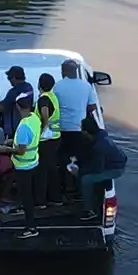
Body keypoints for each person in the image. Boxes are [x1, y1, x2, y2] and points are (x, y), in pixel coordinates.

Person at [0, 92, 44, 237]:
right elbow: (28, 140)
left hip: (23, 166)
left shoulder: (23, 126)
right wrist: (12, 141)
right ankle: (26, 210)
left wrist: (6, 149)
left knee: (26, 196)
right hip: (33, 161)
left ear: (18, 107)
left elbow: (21, 150)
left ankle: (31, 228)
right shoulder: (34, 118)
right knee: (28, 192)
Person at [53, 59, 97, 189]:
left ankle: (64, 184)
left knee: (62, 158)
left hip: (62, 129)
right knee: (79, 158)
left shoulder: (58, 86)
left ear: (64, 71)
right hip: (80, 129)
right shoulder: (86, 86)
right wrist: (81, 109)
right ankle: (78, 186)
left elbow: (53, 105)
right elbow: (93, 106)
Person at [77, 116, 127, 220]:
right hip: (112, 162)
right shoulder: (101, 136)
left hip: (115, 169)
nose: (81, 131)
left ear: (86, 132)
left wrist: (79, 171)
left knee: (86, 180)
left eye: (82, 129)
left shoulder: (99, 146)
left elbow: (97, 169)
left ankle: (90, 211)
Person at [36, 73, 63, 206]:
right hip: (56, 136)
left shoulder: (44, 99)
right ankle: (56, 197)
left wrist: (43, 128)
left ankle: (41, 201)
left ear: (39, 84)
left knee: (42, 170)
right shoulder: (53, 96)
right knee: (52, 168)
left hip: (46, 139)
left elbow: (45, 113)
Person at [1, 65, 33, 137]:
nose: (9, 80)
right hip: (27, 124)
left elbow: (2, 108)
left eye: (9, 78)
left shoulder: (14, 92)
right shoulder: (29, 87)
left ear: (14, 78)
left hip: (15, 130)